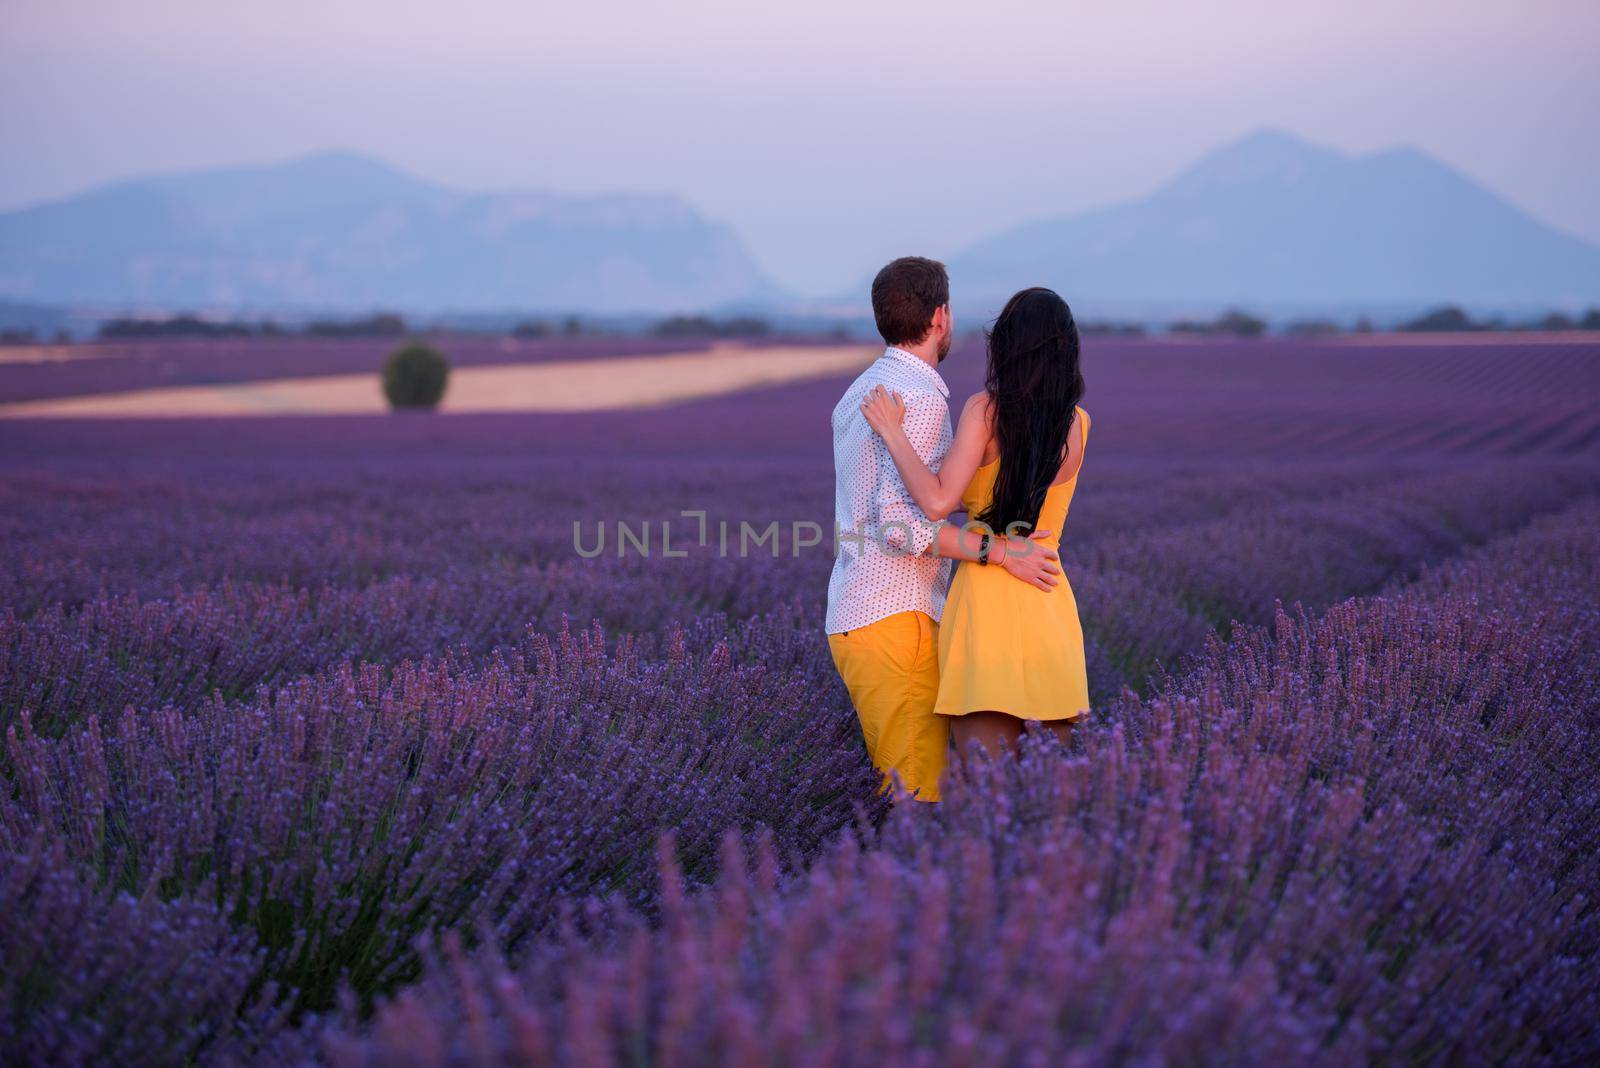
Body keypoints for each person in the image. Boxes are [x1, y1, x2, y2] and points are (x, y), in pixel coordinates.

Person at [826, 259, 1061, 801]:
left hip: (858, 613)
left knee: (904, 791)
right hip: (896, 617)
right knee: (916, 802)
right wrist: (1001, 552)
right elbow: (900, 528)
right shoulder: (923, 396)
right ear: (941, 316)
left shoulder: (860, 390)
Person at [860, 286, 1090, 759]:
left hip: (987, 605)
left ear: (1006, 344)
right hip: (1049, 596)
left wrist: (892, 432)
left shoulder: (986, 412)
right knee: (1052, 792)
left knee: (985, 791)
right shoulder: (1080, 423)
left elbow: (938, 501)